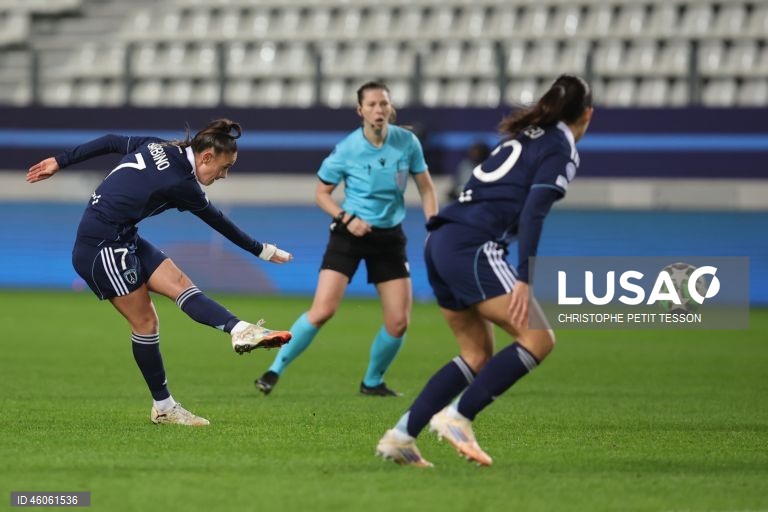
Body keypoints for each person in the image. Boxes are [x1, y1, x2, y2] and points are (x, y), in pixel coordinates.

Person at [375, 75, 594, 466]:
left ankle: (401, 437)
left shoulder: (524, 135)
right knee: (539, 339)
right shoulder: (561, 146)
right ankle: (458, 417)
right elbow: (533, 211)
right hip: (473, 245)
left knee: (476, 352)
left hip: (441, 239)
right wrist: (525, 276)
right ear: (587, 115)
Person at [26, 119, 294, 426]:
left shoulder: (159, 145)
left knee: (181, 284)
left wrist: (61, 161)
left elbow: (113, 139)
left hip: (123, 236)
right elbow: (218, 221)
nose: (224, 175)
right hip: (101, 247)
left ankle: (240, 330)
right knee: (146, 321)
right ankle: (164, 407)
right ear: (206, 157)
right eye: (224, 167)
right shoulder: (181, 183)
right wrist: (261, 249)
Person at [254, 81, 438, 397]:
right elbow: (321, 194)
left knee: (398, 323)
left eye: (384, 104)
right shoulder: (348, 148)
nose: (379, 110)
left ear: (390, 108)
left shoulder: (407, 142)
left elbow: (426, 188)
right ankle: (274, 370)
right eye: (372, 105)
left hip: (389, 238)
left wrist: (435, 229)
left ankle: (372, 382)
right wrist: (346, 218)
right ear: (360, 111)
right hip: (348, 235)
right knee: (323, 310)